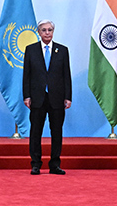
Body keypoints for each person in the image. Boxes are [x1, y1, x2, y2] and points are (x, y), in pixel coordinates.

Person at [22, 20, 71, 175]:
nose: (47, 33)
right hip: (37, 98)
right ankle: (36, 164)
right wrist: (26, 96)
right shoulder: (31, 50)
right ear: (39, 32)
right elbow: (26, 75)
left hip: (57, 98)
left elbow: (66, 75)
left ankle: (55, 165)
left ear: (53, 31)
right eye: (44, 30)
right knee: (35, 132)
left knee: (56, 132)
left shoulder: (62, 50)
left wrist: (68, 97)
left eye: (50, 30)